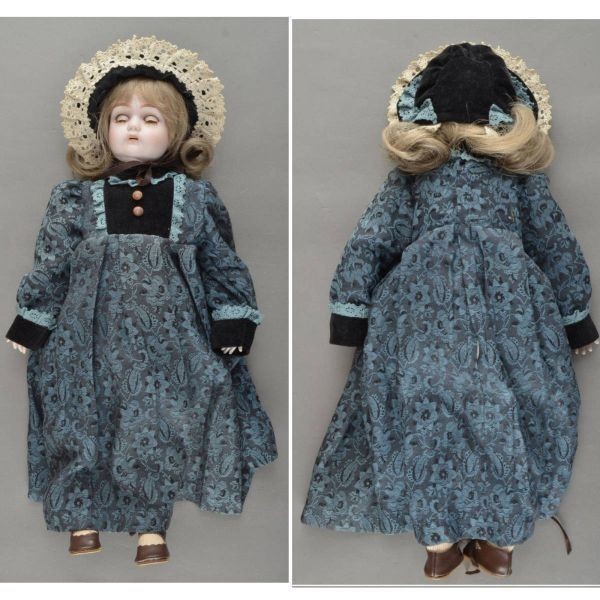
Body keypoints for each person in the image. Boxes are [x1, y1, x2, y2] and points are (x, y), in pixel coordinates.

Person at [301, 42, 597, 579]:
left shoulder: (521, 180)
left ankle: (500, 535)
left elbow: (554, 243)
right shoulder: (412, 177)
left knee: (519, 404)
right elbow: (373, 237)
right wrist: (350, 307)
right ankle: (438, 537)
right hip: (421, 312)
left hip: (509, 315)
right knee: (422, 406)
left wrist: (576, 316)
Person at [5, 35, 277, 566]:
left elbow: (221, 261)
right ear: (101, 127)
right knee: (78, 416)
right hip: (85, 336)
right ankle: (81, 517)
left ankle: (152, 526)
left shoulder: (195, 197)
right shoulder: (72, 198)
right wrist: (34, 318)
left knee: (155, 423)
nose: (133, 128)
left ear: (176, 131)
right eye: (121, 118)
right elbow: (52, 261)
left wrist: (234, 319)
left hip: (167, 340)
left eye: (150, 119)